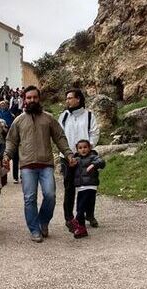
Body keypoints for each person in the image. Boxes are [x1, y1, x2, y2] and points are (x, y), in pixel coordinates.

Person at [4, 85, 76, 242]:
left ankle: (43, 221)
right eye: (28, 98)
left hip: (46, 165)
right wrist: (7, 156)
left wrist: (68, 154)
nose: (32, 100)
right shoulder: (18, 120)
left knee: (50, 195)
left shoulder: (48, 118)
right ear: (24, 100)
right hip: (27, 166)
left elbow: (60, 137)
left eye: (34, 97)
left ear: (39, 98)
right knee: (29, 198)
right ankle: (34, 229)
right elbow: (11, 141)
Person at [58, 88, 100, 231]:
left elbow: (94, 133)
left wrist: (87, 149)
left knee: (88, 187)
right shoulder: (64, 116)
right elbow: (59, 136)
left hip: (86, 157)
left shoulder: (88, 115)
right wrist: (67, 153)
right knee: (69, 188)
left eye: (70, 98)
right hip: (67, 157)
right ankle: (69, 218)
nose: (67, 101)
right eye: (66, 98)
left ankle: (89, 214)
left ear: (78, 99)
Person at [71, 139, 105, 238]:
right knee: (79, 208)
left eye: (85, 147)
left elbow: (101, 162)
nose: (83, 150)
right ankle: (82, 229)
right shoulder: (76, 159)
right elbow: (71, 170)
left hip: (90, 186)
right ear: (77, 150)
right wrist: (71, 166)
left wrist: (93, 165)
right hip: (81, 188)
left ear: (89, 148)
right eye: (80, 148)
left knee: (81, 208)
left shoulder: (93, 157)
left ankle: (78, 224)